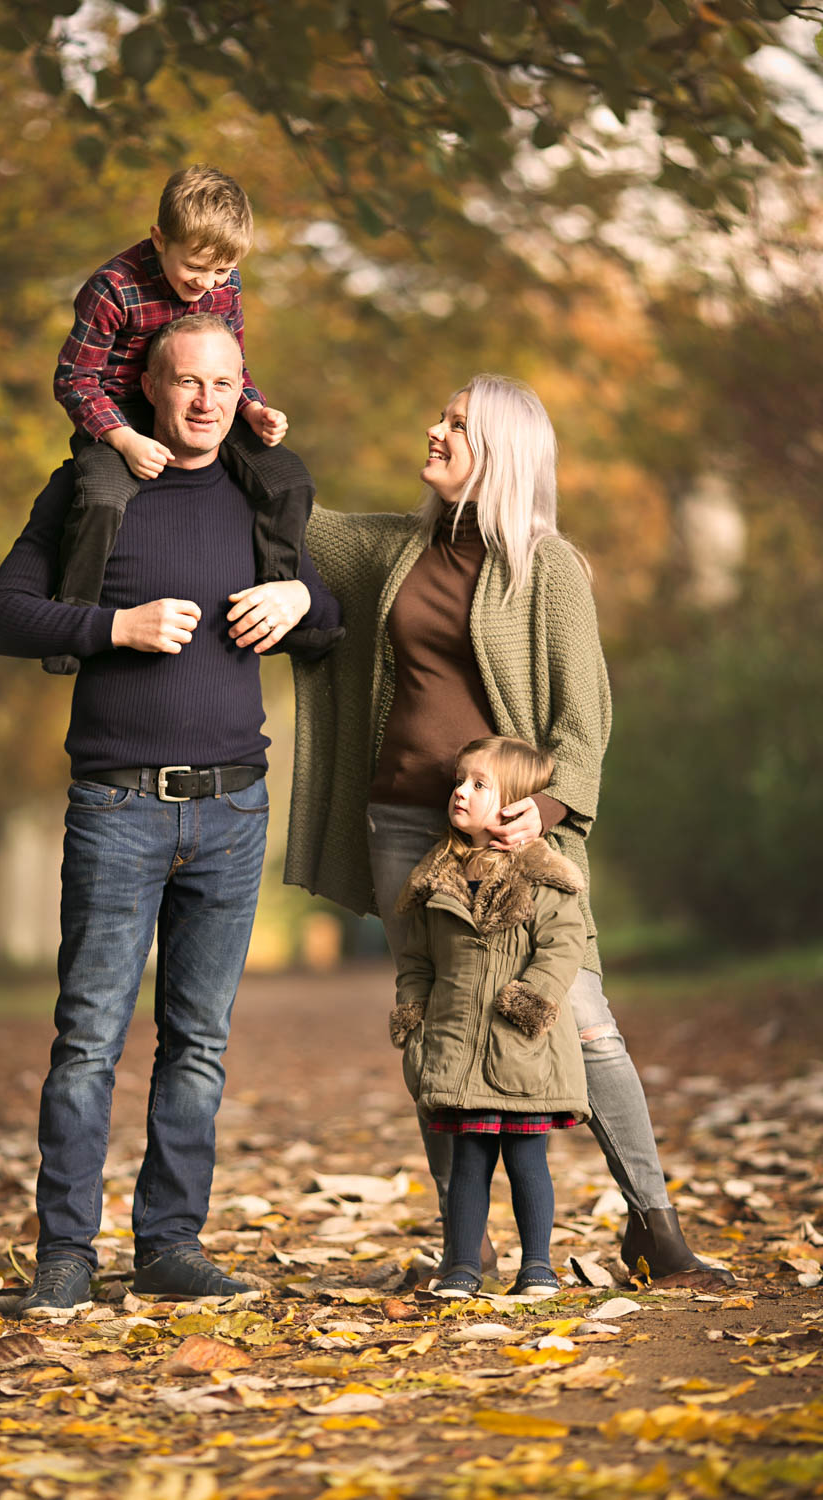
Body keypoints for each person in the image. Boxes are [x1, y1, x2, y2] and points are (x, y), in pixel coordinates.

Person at [286, 373, 733, 1287]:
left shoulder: (548, 566)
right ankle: (467, 1246)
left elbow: (584, 716)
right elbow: (301, 519)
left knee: (584, 1018)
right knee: (437, 1025)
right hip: (407, 828)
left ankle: (654, 1225)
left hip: (515, 835)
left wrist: (550, 806)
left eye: (456, 422)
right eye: (439, 415)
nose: (434, 429)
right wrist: (250, 421)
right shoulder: (397, 550)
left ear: (502, 449)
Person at [0, 315, 342, 1316]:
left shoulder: (260, 486)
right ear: (147, 382)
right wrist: (112, 628)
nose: (204, 401)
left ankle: (171, 1246)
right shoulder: (91, 485)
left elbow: (327, 613)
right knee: (89, 1036)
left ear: (241, 388)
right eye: (185, 382)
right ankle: (66, 1256)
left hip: (233, 809)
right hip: (116, 808)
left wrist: (301, 605)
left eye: (222, 383)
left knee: (199, 1042)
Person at [46, 163, 310, 675]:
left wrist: (253, 408)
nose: (207, 283)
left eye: (220, 272)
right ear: (159, 238)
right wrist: (123, 440)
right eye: (195, 268)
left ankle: (275, 606)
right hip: (118, 416)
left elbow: (231, 363)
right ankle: (71, 625)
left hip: (201, 409)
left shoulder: (224, 281)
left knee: (289, 480)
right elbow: (74, 379)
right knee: (100, 499)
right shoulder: (113, 288)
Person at [391, 734, 590, 1298]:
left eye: (479, 784)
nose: (460, 792)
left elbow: (564, 945)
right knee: (468, 1163)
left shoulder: (543, 876)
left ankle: (537, 1264)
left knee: (528, 1162)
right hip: (456, 1047)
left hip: (521, 1048)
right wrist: (414, 1013)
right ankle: (462, 1264)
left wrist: (530, 1000)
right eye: (460, 780)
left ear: (513, 803)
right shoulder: (437, 881)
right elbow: (417, 959)